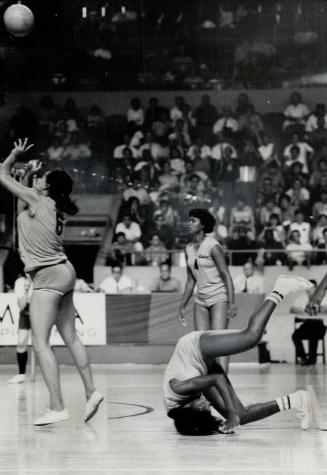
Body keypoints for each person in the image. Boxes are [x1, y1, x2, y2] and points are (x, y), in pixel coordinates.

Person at [0, 138, 103, 426]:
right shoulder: (52, 205)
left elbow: (1, 175)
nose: (40, 179)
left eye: (43, 178)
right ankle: (91, 391)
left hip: (46, 274)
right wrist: (30, 175)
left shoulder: (40, 200)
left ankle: (57, 405)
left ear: (47, 187)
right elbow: (21, 203)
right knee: (70, 336)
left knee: (40, 342)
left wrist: (14, 155)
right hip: (66, 270)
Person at [164, 275, 314, 435]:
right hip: (200, 371)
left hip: (192, 347)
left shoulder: (178, 388)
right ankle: (296, 400)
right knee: (241, 417)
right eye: (207, 409)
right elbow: (201, 416)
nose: (207, 406)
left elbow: (218, 379)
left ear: (187, 409)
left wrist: (230, 413)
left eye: (202, 408)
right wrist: (226, 420)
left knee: (251, 337)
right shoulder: (184, 413)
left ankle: (280, 289)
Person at [178, 209, 236, 371]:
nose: (189, 224)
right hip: (200, 300)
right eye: (188, 220)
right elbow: (190, 280)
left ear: (203, 225)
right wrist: (182, 305)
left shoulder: (213, 246)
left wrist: (231, 303)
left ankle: (224, 382)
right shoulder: (188, 249)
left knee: (220, 342)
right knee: (203, 344)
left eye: (193, 221)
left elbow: (226, 276)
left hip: (219, 297)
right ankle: (209, 386)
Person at [291, 280, 327, 365]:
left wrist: (318, 308)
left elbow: (325, 308)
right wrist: (302, 309)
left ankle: (312, 358)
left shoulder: (323, 297)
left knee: (313, 332)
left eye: (311, 288)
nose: (309, 290)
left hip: (319, 325)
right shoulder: (302, 298)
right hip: (307, 324)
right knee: (295, 336)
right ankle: (303, 357)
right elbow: (292, 309)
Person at [8, 272, 33, 384]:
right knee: (21, 343)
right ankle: (21, 375)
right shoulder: (20, 282)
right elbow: (21, 305)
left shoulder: (43, 277)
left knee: (43, 344)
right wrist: (27, 290)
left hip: (42, 311)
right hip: (25, 313)